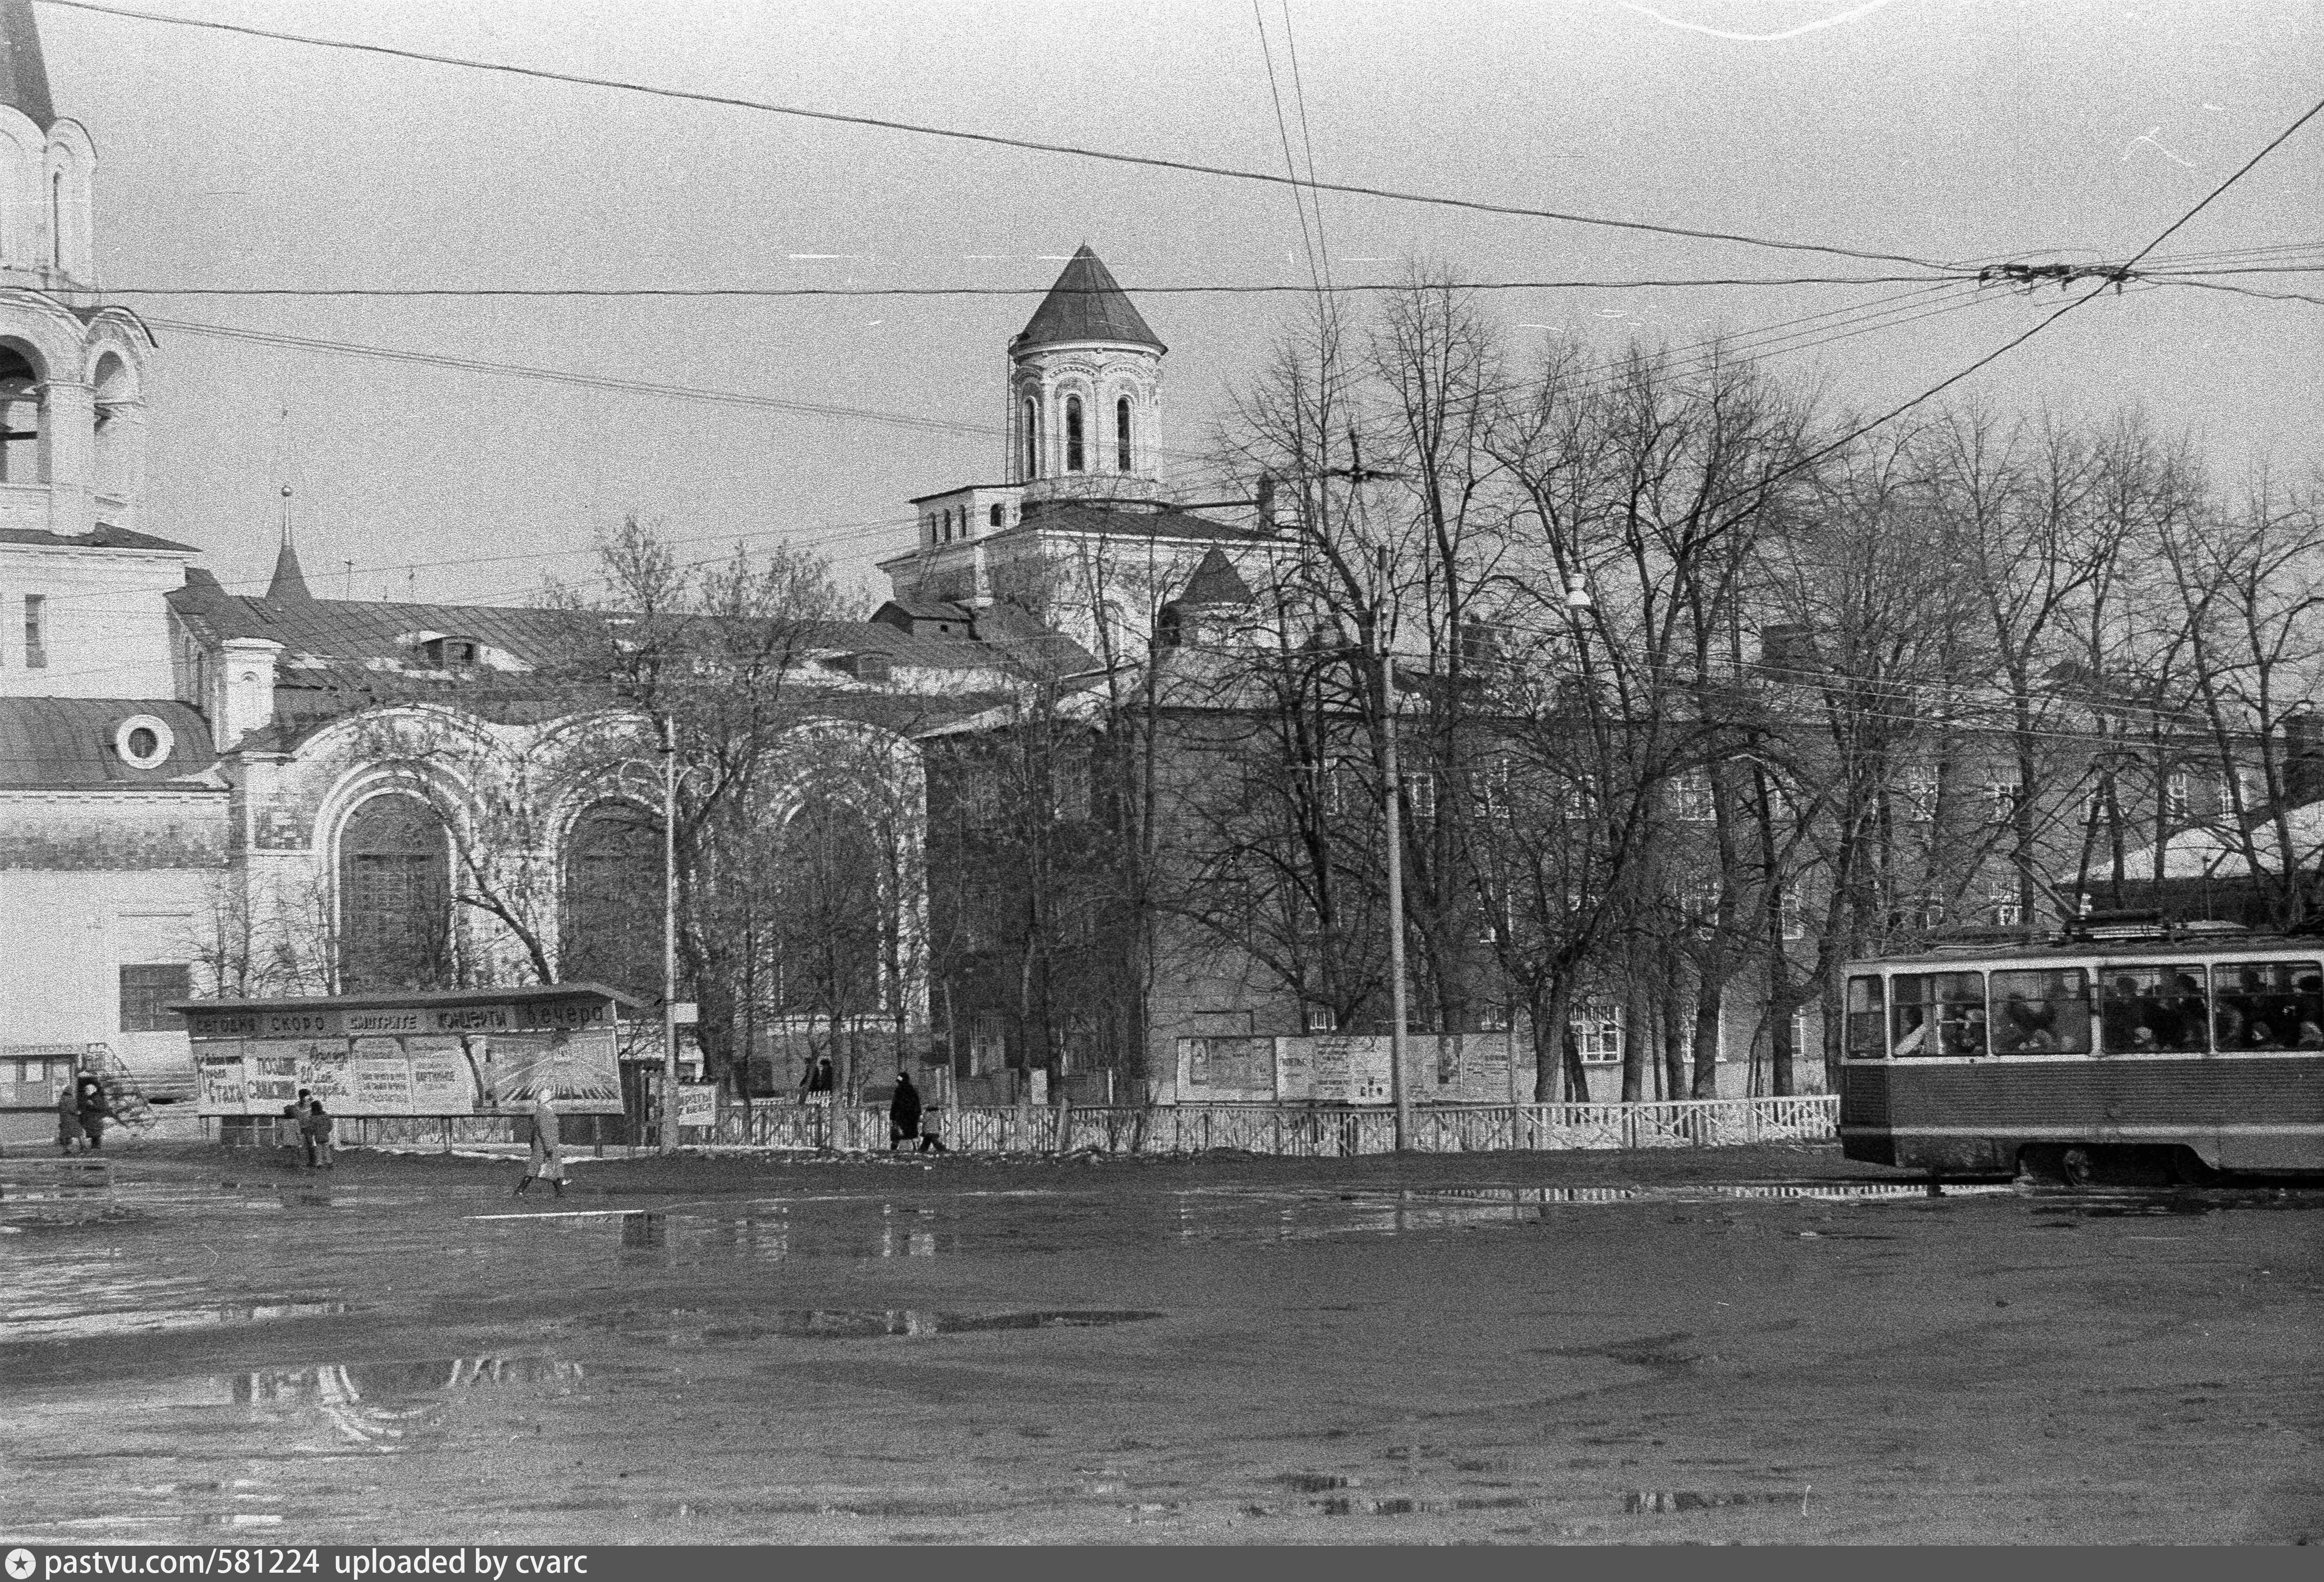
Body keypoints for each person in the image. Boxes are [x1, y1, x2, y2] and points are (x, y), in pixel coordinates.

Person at [515, 1091, 564, 1198]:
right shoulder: (545, 1112)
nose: (554, 1102)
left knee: (551, 1168)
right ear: (548, 1101)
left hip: (544, 1145)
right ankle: (520, 1190)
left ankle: (560, 1192)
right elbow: (544, 1132)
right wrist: (549, 1148)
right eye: (552, 1100)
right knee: (539, 1168)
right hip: (544, 1146)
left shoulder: (543, 1111)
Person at [888, 1070, 922, 1153]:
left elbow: (895, 1104)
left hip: (900, 1116)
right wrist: (918, 1114)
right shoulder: (913, 1091)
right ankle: (916, 1149)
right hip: (912, 1117)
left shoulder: (898, 1091)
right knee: (913, 1134)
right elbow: (917, 1104)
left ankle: (893, 1151)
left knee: (897, 1135)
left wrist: (892, 1117)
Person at [75, 1070, 110, 1151]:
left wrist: (91, 1105)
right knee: (94, 1134)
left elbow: (101, 1108)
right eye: (86, 1090)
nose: (86, 1092)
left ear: (91, 1090)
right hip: (92, 1119)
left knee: (96, 1134)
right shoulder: (92, 1097)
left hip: (95, 1119)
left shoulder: (96, 1098)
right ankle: (94, 1146)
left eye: (87, 1090)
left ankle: (96, 1147)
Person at [301, 1096, 334, 1170]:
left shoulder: (313, 1118)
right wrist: (327, 1131)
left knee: (319, 1150)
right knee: (327, 1149)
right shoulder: (326, 1116)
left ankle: (319, 1163)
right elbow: (330, 1125)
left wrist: (313, 1133)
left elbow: (312, 1128)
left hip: (318, 1136)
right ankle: (329, 1162)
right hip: (325, 1135)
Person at [54, 1071, 80, 1155]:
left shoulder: (62, 1099)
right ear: (71, 1091)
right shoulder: (70, 1099)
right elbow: (73, 1109)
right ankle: (83, 1147)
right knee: (78, 1133)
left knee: (64, 1135)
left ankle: (66, 1150)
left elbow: (61, 1109)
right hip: (72, 1119)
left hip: (64, 1119)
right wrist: (78, 1113)